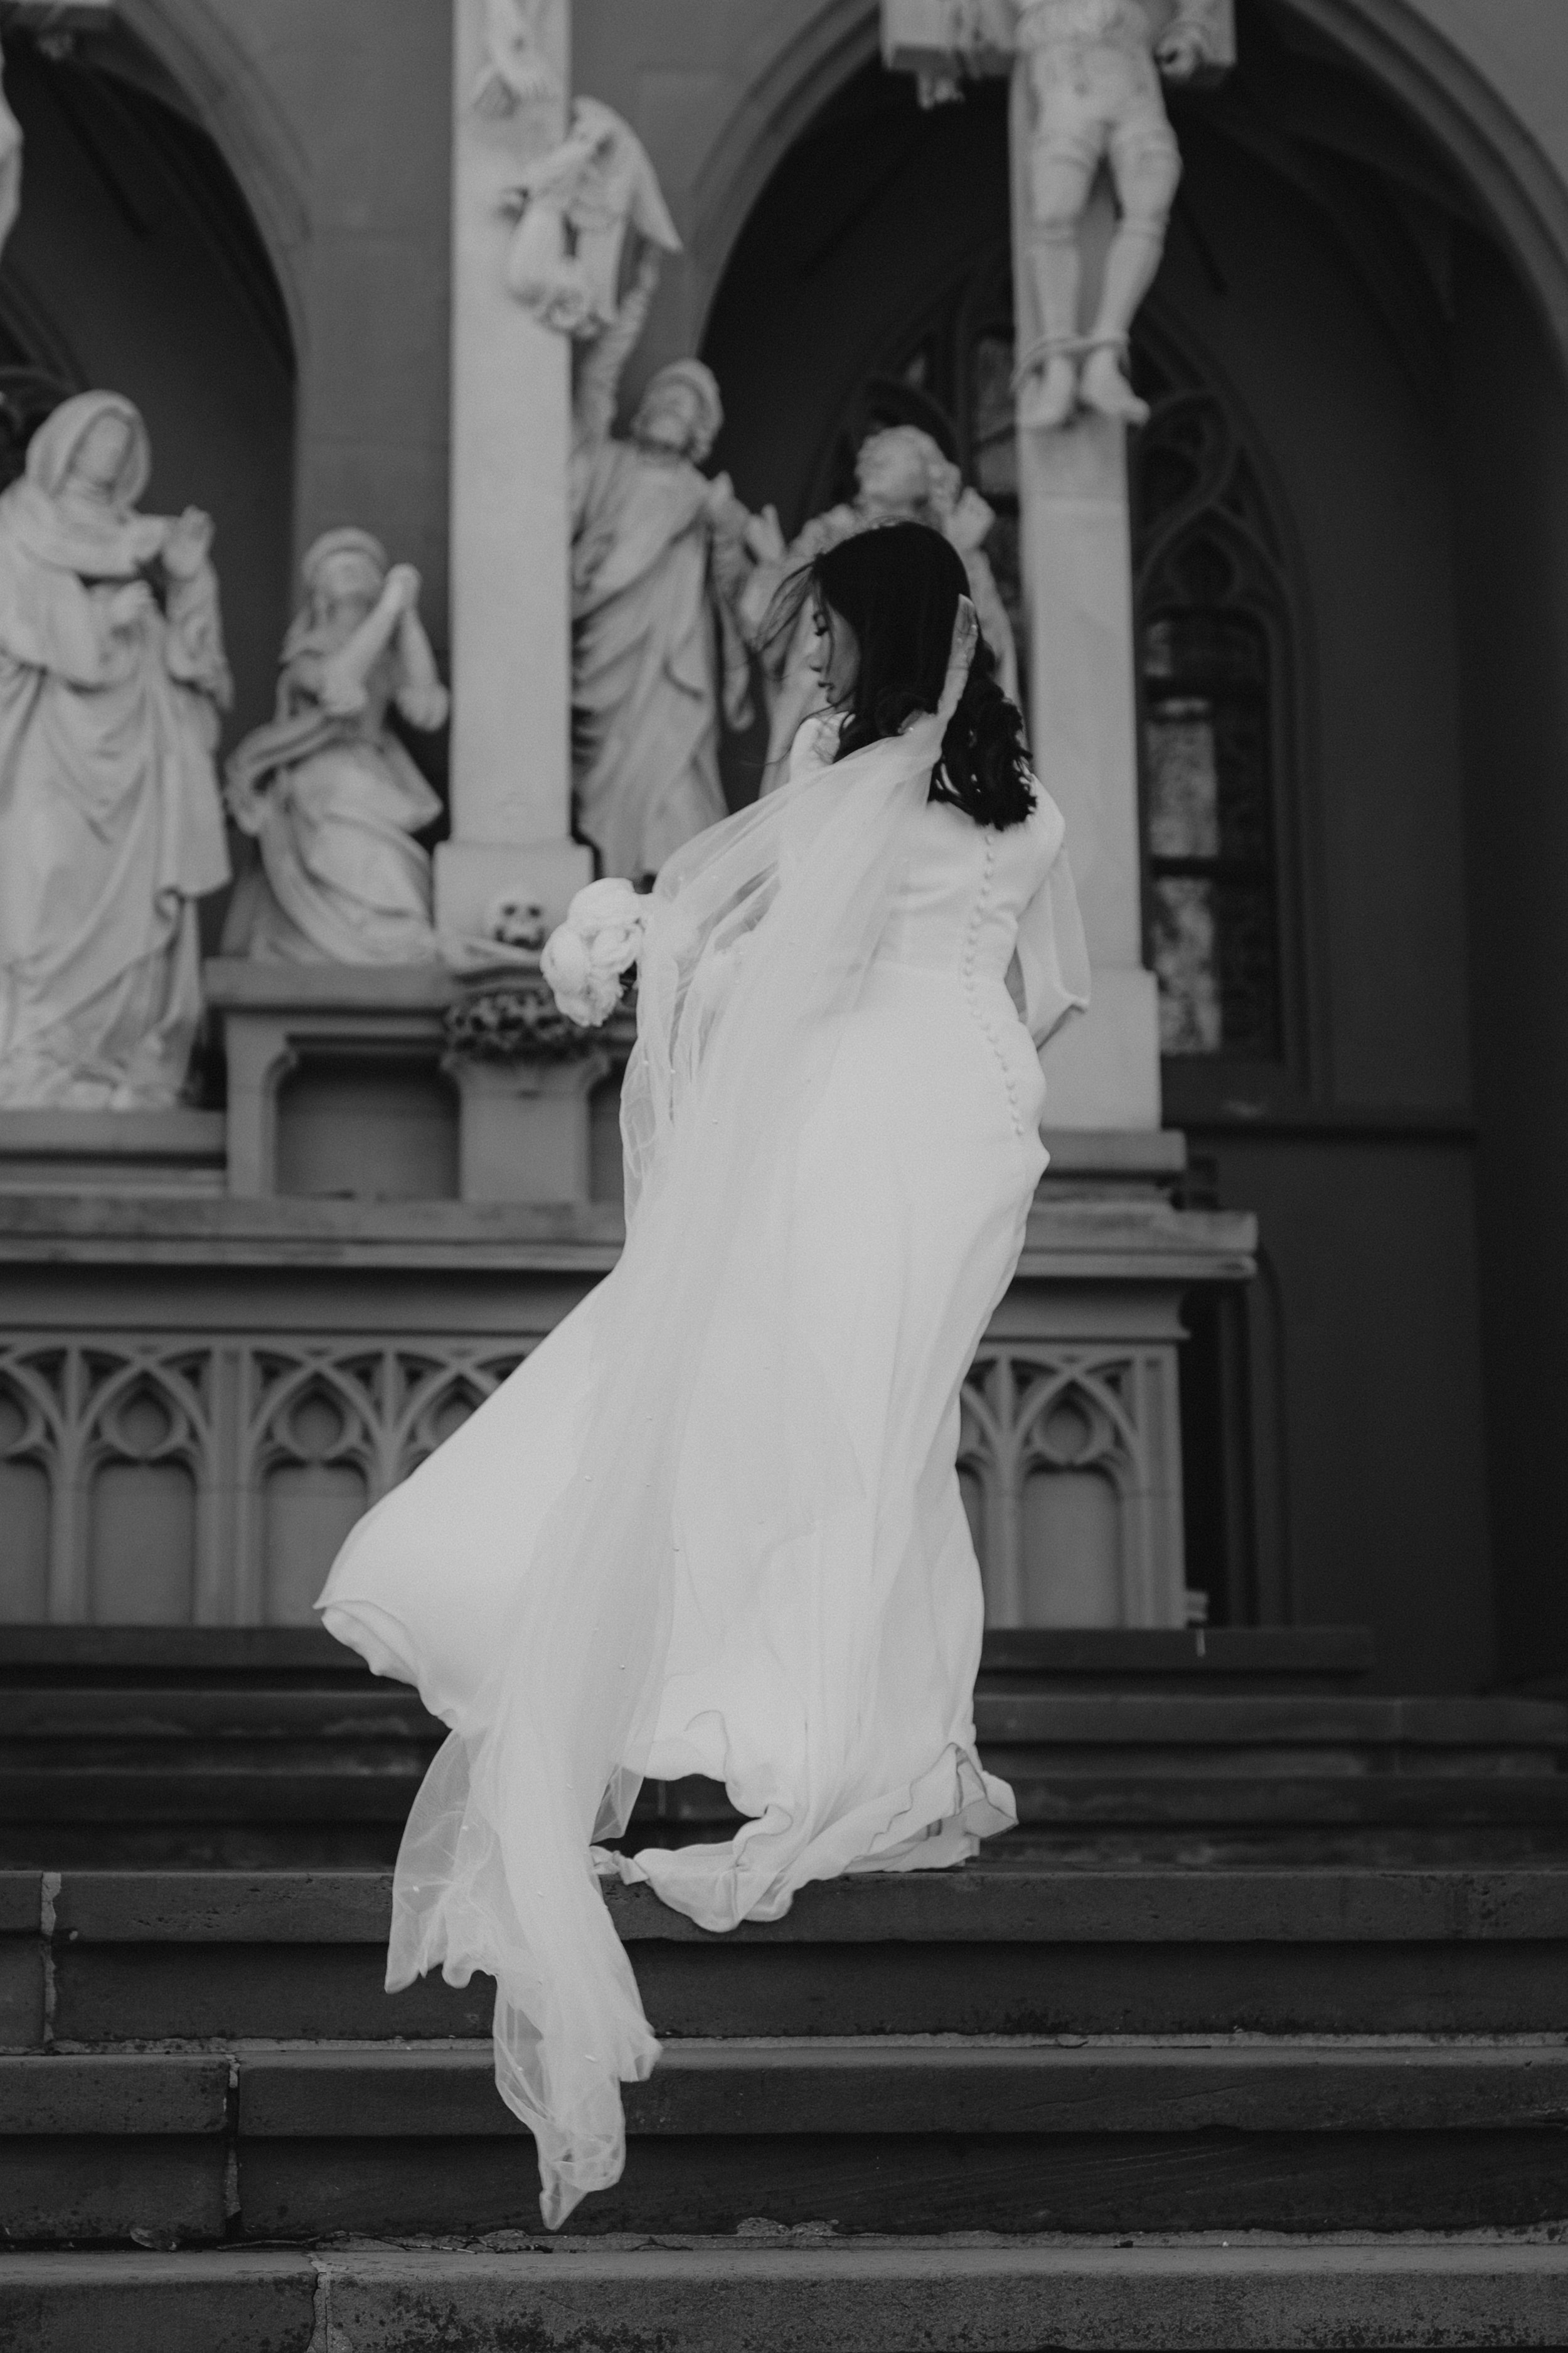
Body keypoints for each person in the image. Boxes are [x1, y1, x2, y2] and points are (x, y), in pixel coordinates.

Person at [316, 521, 1090, 2227]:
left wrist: (643, 956)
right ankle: (824, 1731)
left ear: (871, 639)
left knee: (828, 1420)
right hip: (970, 1128)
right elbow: (1054, 997)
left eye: (817, 632)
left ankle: (798, 1731)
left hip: (861, 1124)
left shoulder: (841, 773)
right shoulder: (1031, 813)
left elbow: (780, 958)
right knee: (851, 1426)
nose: (798, 661)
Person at [0, 392, 231, 1107]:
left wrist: (190, 579)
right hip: (52, 737)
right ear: (65, 442)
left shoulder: (142, 534)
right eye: (99, 435)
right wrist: (99, 620)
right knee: (46, 878)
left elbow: (197, 660)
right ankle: (30, 1056)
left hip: (139, 742)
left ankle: (119, 1063)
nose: (110, 451)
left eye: (122, 442)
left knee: (135, 912)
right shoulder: (18, 524)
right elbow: (18, 625)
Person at [570, 254, 752, 881]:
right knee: (610, 770)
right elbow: (596, 383)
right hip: (609, 641)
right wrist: (637, 299)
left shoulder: (702, 496)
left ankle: (675, 884)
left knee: (675, 774)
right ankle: (616, 883)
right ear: (644, 412)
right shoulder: (609, 464)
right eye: (668, 395)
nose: (676, 405)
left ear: (702, 431)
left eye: (690, 405)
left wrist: (729, 536)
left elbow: (738, 590)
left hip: (675, 658)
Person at [740, 424, 1018, 791]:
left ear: (927, 477)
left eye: (889, 453)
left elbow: (984, 650)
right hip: (816, 703)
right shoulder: (827, 534)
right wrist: (772, 564)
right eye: (870, 453)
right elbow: (761, 625)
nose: (871, 457)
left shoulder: (947, 546)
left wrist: (962, 555)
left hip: (908, 724)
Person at [221, 530, 449, 965]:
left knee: (386, 853)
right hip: (323, 777)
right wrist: (388, 609)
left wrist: (408, 616)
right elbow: (339, 689)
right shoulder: (308, 652)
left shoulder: (388, 652)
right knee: (353, 824)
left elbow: (427, 707)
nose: (354, 572)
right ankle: (367, 934)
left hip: (373, 770)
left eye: (363, 567)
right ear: (318, 591)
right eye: (341, 567)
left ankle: (390, 933)